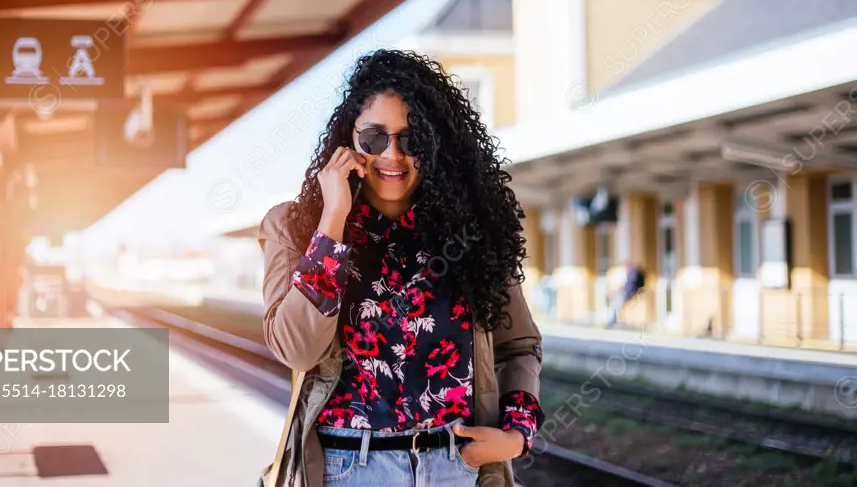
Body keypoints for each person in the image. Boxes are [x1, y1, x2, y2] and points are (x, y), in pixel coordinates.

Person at [258, 50, 544, 487]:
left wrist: (517, 434)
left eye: (411, 139)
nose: (392, 154)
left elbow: (518, 345)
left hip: (455, 467)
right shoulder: (295, 226)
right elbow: (297, 349)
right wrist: (333, 221)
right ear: (349, 141)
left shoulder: (472, 229)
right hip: (348, 468)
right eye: (374, 138)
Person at [607, 260, 645, 327]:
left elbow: (629, 287)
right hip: (628, 293)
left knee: (616, 304)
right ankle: (613, 319)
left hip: (628, 293)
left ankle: (613, 320)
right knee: (615, 303)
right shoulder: (632, 275)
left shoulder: (633, 275)